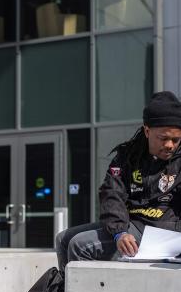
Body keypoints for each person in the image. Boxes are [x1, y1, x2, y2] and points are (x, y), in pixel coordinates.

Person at [56, 91, 181, 277]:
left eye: (176, 139)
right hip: (130, 224)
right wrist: (119, 232)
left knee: (80, 246)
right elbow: (111, 193)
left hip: (162, 231)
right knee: (63, 239)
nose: (170, 145)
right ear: (147, 131)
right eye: (163, 138)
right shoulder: (128, 156)